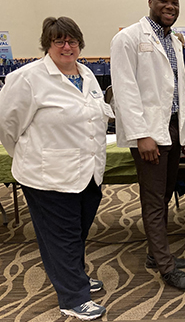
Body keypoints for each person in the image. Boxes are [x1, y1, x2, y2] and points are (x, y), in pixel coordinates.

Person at [0, 17, 112, 320]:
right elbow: (7, 127)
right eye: (59, 40)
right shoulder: (28, 78)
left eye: (72, 40)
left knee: (76, 232)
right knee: (60, 236)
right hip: (47, 175)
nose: (67, 46)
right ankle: (73, 297)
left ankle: (73, 275)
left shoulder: (86, 74)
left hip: (87, 173)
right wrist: (28, 155)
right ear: (47, 44)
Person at [110, 0, 185, 290]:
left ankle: (154, 253)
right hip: (149, 131)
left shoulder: (174, 41)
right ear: (150, 1)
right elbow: (124, 91)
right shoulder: (129, 39)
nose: (170, 7)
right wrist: (142, 135)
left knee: (164, 194)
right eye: (163, 1)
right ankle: (165, 266)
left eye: (174, 2)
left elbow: (178, 93)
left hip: (173, 127)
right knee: (153, 197)